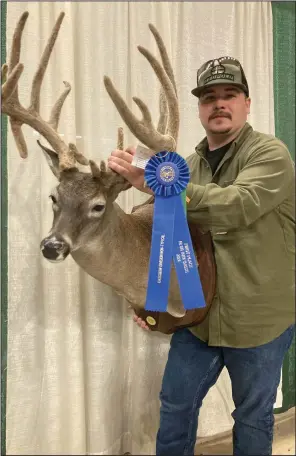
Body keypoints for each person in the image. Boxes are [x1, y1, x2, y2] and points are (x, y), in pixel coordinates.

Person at [107, 57, 295, 456]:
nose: (219, 103)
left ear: (247, 103)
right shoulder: (184, 166)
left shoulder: (271, 155)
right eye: (209, 97)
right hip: (200, 318)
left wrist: (161, 185)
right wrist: (150, 300)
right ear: (200, 109)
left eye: (229, 94)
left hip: (259, 319)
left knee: (251, 417)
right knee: (175, 407)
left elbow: (238, 204)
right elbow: (164, 240)